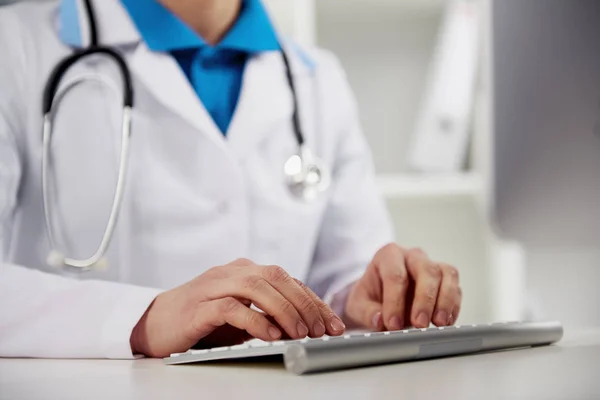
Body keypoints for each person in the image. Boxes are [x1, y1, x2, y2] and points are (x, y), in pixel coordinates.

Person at [0, 0, 462, 359]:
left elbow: (344, 275)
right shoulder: (17, 48)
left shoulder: (316, 80)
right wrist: (143, 319)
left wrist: (370, 297)